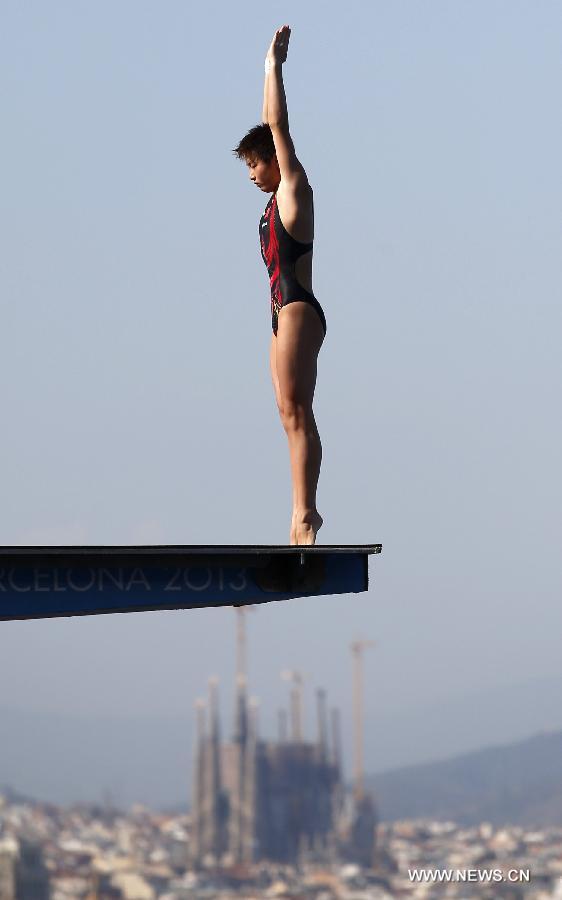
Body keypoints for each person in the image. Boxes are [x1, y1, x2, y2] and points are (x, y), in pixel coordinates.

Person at [233, 25, 327, 546]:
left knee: (299, 411)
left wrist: (273, 67)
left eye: (254, 164)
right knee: (288, 414)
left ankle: (305, 513)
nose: (251, 175)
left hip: (296, 308)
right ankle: (298, 510)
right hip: (278, 311)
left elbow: (277, 125)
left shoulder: (295, 190)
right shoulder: (272, 205)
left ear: (274, 160)